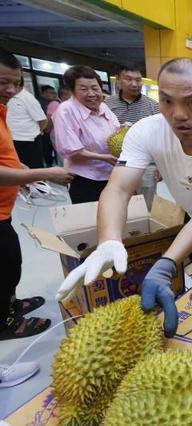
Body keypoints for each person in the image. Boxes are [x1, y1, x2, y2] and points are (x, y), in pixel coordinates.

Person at [56, 58, 192, 338]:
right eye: (167, 101)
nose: (178, 114)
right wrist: (110, 240)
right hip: (191, 213)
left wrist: (167, 263)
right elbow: (119, 188)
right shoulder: (146, 131)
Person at [0, 48, 74, 348]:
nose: (11, 90)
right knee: (5, 265)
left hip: (4, 209)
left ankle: (11, 304)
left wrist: (24, 172)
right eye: (3, 82)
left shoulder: (2, 109)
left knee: (10, 262)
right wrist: (42, 174)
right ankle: (7, 323)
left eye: (16, 83)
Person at [54, 66, 120, 204]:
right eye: (84, 89)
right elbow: (69, 149)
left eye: (95, 88)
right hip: (85, 178)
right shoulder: (66, 111)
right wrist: (103, 158)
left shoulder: (103, 107)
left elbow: (116, 133)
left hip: (111, 175)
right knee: (91, 219)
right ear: (72, 91)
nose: (91, 94)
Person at [105, 65, 161, 210]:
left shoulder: (153, 106)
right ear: (118, 81)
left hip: (146, 164)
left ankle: (146, 231)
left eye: (138, 80)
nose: (134, 84)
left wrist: (160, 165)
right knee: (118, 202)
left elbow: (159, 137)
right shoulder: (107, 104)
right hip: (115, 163)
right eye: (128, 79)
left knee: (146, 204)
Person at [7, 77, 48, 170]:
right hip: (12, 139)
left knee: (33, 169)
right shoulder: (7, 98)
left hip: (29, 140)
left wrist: (39, 131)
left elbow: (43, 120)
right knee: (17, 169)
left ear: (18, 85)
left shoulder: (28, 98)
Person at [44, 86, 71, 166]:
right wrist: (47, 130)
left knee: (65, 156)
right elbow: (49, 119)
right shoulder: (54, 104)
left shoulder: (64, 104)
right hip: (57, 135)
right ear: (65, 95)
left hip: (64, 134)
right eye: (71, 95)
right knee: (63, 156)